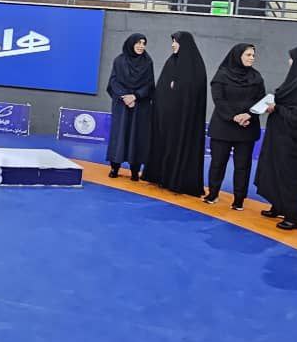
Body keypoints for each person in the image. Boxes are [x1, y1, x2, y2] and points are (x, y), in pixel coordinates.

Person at [256, 46, 297, 229]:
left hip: (295, 140)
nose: (289, 62)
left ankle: (293, 216)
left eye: (293, 59)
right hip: (282, 137)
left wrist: (277, 108)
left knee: (292, 176)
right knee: (276, 170)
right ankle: (278, 205)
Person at [143, 32, 207, 196]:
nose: (172, 44)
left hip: (184, 121)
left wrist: (179, 87)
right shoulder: (171, 62)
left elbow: (194, 92)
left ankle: (176, 180)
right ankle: (160, 176)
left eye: (175, 41)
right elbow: (162, 88)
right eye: (172, 41)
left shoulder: (196, 66)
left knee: (178, 147)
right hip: (166, 119)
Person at [204, 44, 265, 210]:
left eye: (253, 55)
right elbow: (219, 99)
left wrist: (249, 115)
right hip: (223, 127)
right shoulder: (221, 75)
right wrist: (234, 116)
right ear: (238, 56)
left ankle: (239, 199)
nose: (252, 58)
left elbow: (261, 101)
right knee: (217, 163)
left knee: (242, 166)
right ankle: (213, 193)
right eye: (248, 55)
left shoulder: (256, 77)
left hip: (247, 128)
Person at [106, 34, 155, 181]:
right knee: (119, 135)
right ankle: (114, 167)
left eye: (144, 43)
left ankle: (135, 170)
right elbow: (113, 82)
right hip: (121, 105)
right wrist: (125, 97)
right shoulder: (119, 61)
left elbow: (149, 84)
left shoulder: (147, 62)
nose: (141, 46)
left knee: (137, 137)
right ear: (131, 44)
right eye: (138, 43)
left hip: (140, 106)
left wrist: (135, 96)